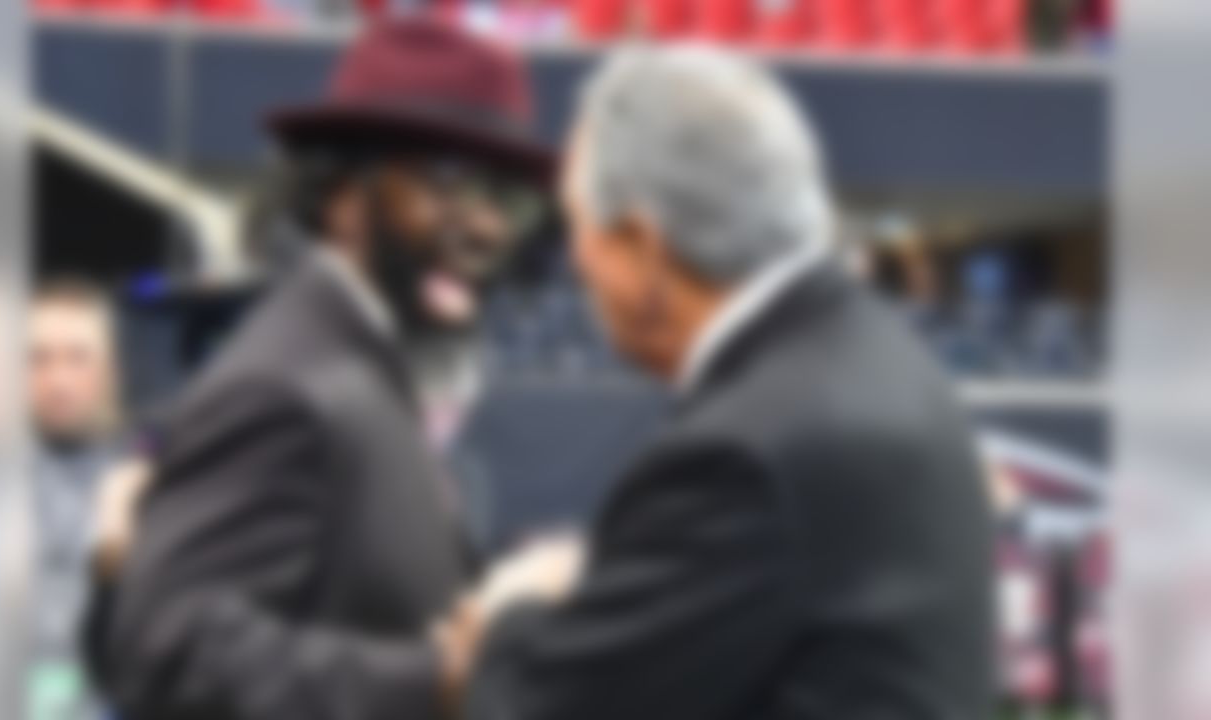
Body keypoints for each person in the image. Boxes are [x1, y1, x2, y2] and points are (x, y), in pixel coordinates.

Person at [441, 46, 996, 719]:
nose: (576, 263)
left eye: (578, 228)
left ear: (642, 250)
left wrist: (512, 607)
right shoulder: (878, 355)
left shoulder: (742, 454)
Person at [84, 18, 552, 720]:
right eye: (447, 181)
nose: (484, 227)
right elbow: (169, 649)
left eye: (504, 197)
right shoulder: (283, 385)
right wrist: (438, 676)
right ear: (341, 197)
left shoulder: (364, 368)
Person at [29, 279, 127, 720]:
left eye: (77, 358)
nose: (58, 380)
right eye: (38, 359)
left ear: (108, 371)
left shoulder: (141, 482)